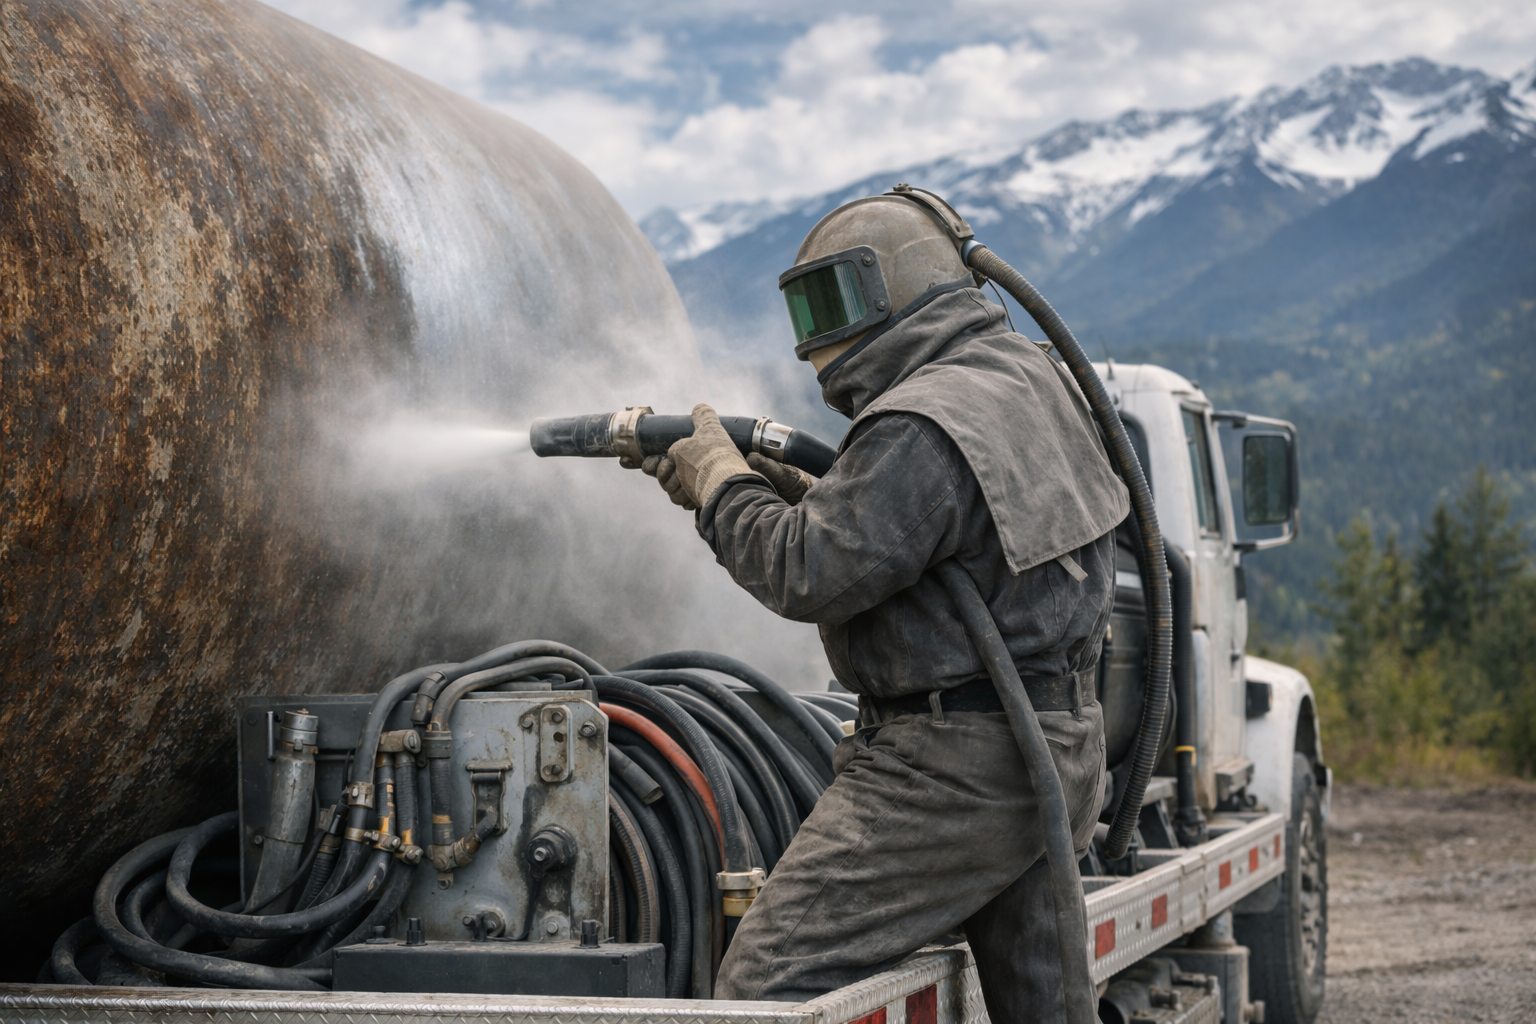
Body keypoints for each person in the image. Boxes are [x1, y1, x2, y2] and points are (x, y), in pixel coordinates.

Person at [636, 187, 1128, 1023]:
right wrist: (787, 491)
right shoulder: (1026, 377)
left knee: (766, 989)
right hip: (1054, 751)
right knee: (1046, 1010)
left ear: (899, 290)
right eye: (810, 309)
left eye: (836, 303)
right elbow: (929, 541)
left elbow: (805, 572)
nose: (823, 340)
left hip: (949, 773)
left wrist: (721, 483)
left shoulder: (922, 419)